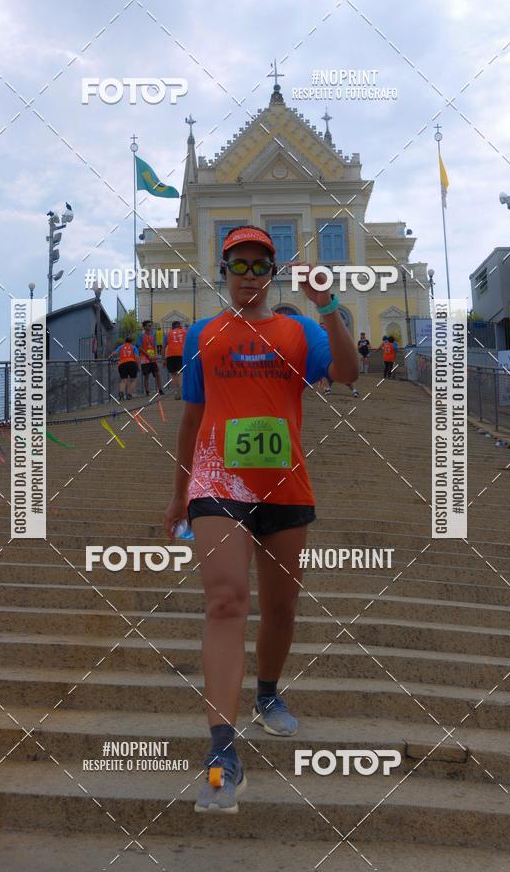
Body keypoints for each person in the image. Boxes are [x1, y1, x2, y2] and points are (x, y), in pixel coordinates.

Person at [163, 224, 359, 814]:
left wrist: (328, 307)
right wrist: (179, 495)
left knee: (281, 608)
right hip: (218, 482)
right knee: (225, 602)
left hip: (284, 483)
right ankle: (222, 754)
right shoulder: (203, 334)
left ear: (271, 273)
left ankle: (267, 694)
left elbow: (349, 375)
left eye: (259, 264)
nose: (248, 274)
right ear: (223, 271)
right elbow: (191, 419)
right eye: (238, 264)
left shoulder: (299, 330)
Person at [136, 320, 164, 397]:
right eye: (148, 325)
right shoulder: (140, 336)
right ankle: (147, 391)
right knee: (146, 375)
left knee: (157, 374)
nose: (150, 327)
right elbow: (140, 347)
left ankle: (160, 390)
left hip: (152, 358)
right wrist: (148, 354)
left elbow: (155, 345)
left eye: (151, 325)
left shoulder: (153, 335)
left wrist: (155, 354)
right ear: (144, 327)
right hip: (145, 359)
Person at [163, 321, 187, 400]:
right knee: (180, 374)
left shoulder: (168, 333)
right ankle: (181, 392)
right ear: (179, 326)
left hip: (170, 355)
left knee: (173, 375)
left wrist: (164, 358)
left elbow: (163, 346)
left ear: (172, 327)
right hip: (181, 355)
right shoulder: (184, 332)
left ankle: (176, 392)